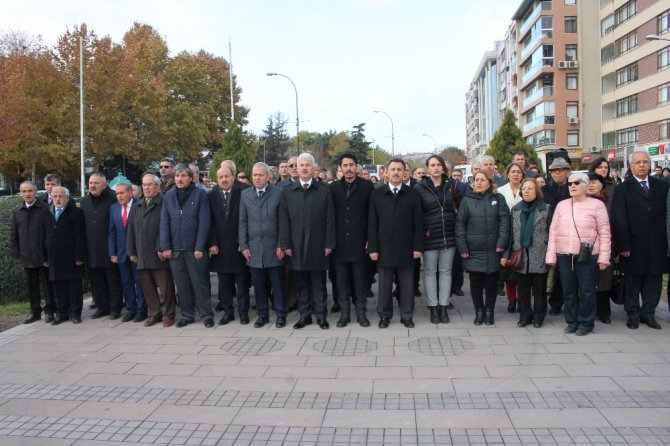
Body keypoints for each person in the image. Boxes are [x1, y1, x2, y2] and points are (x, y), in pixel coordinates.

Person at [546, 172, 611, 336]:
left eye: (576, 183)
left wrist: (604, 257)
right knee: (568, 291)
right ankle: (572, 321)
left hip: (588, 255)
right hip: (564, 254)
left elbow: (604, 232)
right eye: (570, 183)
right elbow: (553, 231)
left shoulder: (597, 205)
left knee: (587, 290)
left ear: (586, 185)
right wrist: (551, 256)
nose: (572, 186)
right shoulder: (562, 205)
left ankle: (586, 322)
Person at [613, 150, 669, 330]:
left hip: (657, 242)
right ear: (631, 166)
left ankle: (649, 313)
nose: (642, 165)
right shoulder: (622, 188)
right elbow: (619, 218)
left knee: (654, 279)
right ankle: (633, 313)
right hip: (633, 243)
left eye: (645, 162)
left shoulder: (661, 185)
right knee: (633, 280)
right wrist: (623, 244)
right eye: (638, 162)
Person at [279, 152, 336, 329]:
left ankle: (321, 316)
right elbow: (284, 221)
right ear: (296, 168)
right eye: (301, 165)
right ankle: (304, 316)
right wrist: (285, 244)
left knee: (319, 283)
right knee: (301, 283)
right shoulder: (288, 192)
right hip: (296, 246)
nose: (304, 168)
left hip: (318, 245)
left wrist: (329, 243)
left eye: (307, 165)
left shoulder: (324, 190)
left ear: (313, 168)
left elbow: (330, 219)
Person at [368, 158, 423, 328]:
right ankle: (384, 315)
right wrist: (373, 248)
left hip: (407, 248)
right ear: (386, 172)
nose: (397, 172)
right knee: (384, 286)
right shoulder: (377, 193)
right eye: (393, 169)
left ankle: (407, 316)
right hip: (384, 248)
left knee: (407, 286)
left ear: (405, 172)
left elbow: (419, 223)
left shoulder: (413, 193)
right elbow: (372, 223)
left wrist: (417, 247)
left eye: (400, 169)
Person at [160, 164, 213, 328]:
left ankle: (206, 315)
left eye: (183, 176)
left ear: (190, 178)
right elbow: (164, 222)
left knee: (200, 283)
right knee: (182, 285)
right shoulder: (169, 196)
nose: (179, 179)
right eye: (177, 176)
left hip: (194, 249)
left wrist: (199, 247)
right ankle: (187, 315)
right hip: (176, 249)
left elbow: (204, 222)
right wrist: (165, 246)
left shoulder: (200, 195)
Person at [456, 170, 510, 326]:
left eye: (482, 180)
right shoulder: (466, 200)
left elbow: (505, 223)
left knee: (491, 283)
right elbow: (460, 226)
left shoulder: (498, 199)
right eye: (476, 180)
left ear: (490, 182)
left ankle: (489, 312)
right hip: (473, 250)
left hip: (493, 249)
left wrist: (501, 242)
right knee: (475, 283)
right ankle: (479, 311)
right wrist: (462, 247)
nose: (478, 182)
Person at [415, 155, 464, 324]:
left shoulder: (452, 186)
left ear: (444, 168)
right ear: (428, 168)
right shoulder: (420, 188)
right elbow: (417, 215)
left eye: (439, 165)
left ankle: (444, 306)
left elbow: (457, 211)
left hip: (449, 234)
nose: (436, 168)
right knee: (429, 271)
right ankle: (433, 307)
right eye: (432, 165)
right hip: (429, 236)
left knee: (445, 271)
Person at [239, 162, 288, 328]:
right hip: (254, 249)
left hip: (274, 248)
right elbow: (242, 222)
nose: (257, 178)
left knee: (278, 284)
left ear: (268, 177)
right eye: (254, 175)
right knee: (258, 285)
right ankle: (262, 315)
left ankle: (281, 314)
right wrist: (244, 246)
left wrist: (282, 244)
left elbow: (283, 222)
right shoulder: (245, 195)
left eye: (260, 175)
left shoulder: (279, 193)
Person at [330, 153, 374, 327]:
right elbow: (329, 216)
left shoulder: (367, 186)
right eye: (345, 165)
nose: (348, 168)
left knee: (360, 281)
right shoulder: (333, 188)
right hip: (339, 243)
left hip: (359, 242)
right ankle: (344, 314)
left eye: (351, 165)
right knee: (341, 282)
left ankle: (361, 313)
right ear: (340, 168)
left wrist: (370, 239)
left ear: (356, 167)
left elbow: (372, 215)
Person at [126, 173, 177, 327]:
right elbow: (131, 230)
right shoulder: (137, 206)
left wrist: (161, 247)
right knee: (147, 287)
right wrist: (132, 251)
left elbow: (167, 228)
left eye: (150, 184)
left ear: (157, 186)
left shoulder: (164, 203)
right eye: (144, 185)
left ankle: (169, 314)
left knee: (165, 287)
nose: (146, 187)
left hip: (159, 254)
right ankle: (154, 313)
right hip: (142, 253)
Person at [502, 178, 550, 328]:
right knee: (522, 289)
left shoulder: (546, 208)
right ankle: (525, 315)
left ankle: (538, 316)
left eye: (530, 188)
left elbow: (551, 232)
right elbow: (510, 234)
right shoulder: (516, 209)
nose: (527, 191)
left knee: (539, 289)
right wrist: (506, 255)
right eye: (524, 189)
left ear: (537, 191)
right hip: (520, 255)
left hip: (539, 254)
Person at [208, 165, 250, 325]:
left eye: (227, 176)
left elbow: (246, 219)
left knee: (242, 283)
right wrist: (212, 243)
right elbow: (209, 221)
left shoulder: (243, 193)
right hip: (220, 247)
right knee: (224, 284)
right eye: (221, 177)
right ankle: (228, 312)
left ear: (233, 177)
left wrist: (243, 242)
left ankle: (243, 312)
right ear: (217, 179)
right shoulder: (211, 195)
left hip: (238, 246)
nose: (224, 180)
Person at [80, 173, 122, 319]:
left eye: (96, 183)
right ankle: (102, 307)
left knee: (113, 281)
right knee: (96, 282)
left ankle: (115, 308)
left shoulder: (113, 198)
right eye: (90, 182)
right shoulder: (84, 201)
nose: (92, 185)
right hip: (91, 249)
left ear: (104, 185)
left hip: (110, 249)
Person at [11, 181, 54, 323]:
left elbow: (49, 233)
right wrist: (16, 254)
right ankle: (35, 311)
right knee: (32, 286)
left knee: (48, 285)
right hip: (27, 255)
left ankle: (50, 310)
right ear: (21, 193)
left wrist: (48, 255)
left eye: (30, 191)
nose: (27, 194)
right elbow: (14, 235)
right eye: (24, 191)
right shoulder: (17, 211)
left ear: (36, 192)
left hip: (43, 256)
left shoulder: (44, 208)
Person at [44, 187, 86, 325]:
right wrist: (44, 257)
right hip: (54, 257)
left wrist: (80, 257)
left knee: (74, 287)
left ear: (67, 198)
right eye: (54, 196)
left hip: (71, 256)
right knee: (58, 287)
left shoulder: (76, 212)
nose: (57, 199)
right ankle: (62, 314)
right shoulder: (47, 213)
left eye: (60, 196)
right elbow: (43, 236)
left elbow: (80, 236)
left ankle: (75, 313)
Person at [108, 182, 146, 323]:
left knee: (140, 282)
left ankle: (142, 310)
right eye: (117, 193)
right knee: (126, 282)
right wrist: (112, 252)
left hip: (137, 252)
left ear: (131, 193)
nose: (119, 196)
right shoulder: (113, 208)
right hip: (121, 253)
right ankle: (131, 308)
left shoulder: (139, 205)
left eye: (122, 193)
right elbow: (111, 232)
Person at [542, 157, 572, 315]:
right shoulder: (545, 190)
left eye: (561, 170)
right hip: (550, 234)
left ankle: (570, 303)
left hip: (570, 235)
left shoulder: (573, 188)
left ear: (568, 171)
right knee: (553, 271)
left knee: (568, 274)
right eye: (554, 171)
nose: (558, 173)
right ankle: (554, 303)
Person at [497, 163, 526, 312]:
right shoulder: (500, 191)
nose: (515, 174)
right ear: (507, 174)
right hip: (506, 233)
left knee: (522, 268)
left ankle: (522, 299)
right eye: (512, 172)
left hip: (524, 232)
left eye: (518, 172)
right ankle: (511, 299)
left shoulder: (527, 189)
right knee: (509, 268)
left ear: (522, 175)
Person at [587, 173, 614, 324]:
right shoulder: (580, 203)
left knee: (604, 279)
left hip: (605, 245)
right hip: (585, 248)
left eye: (594, 182)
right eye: (588, 182)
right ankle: (589, 310)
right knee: (587, 281)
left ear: (602, 185)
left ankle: (604, 312)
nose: (591, 185)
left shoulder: (609, 203)